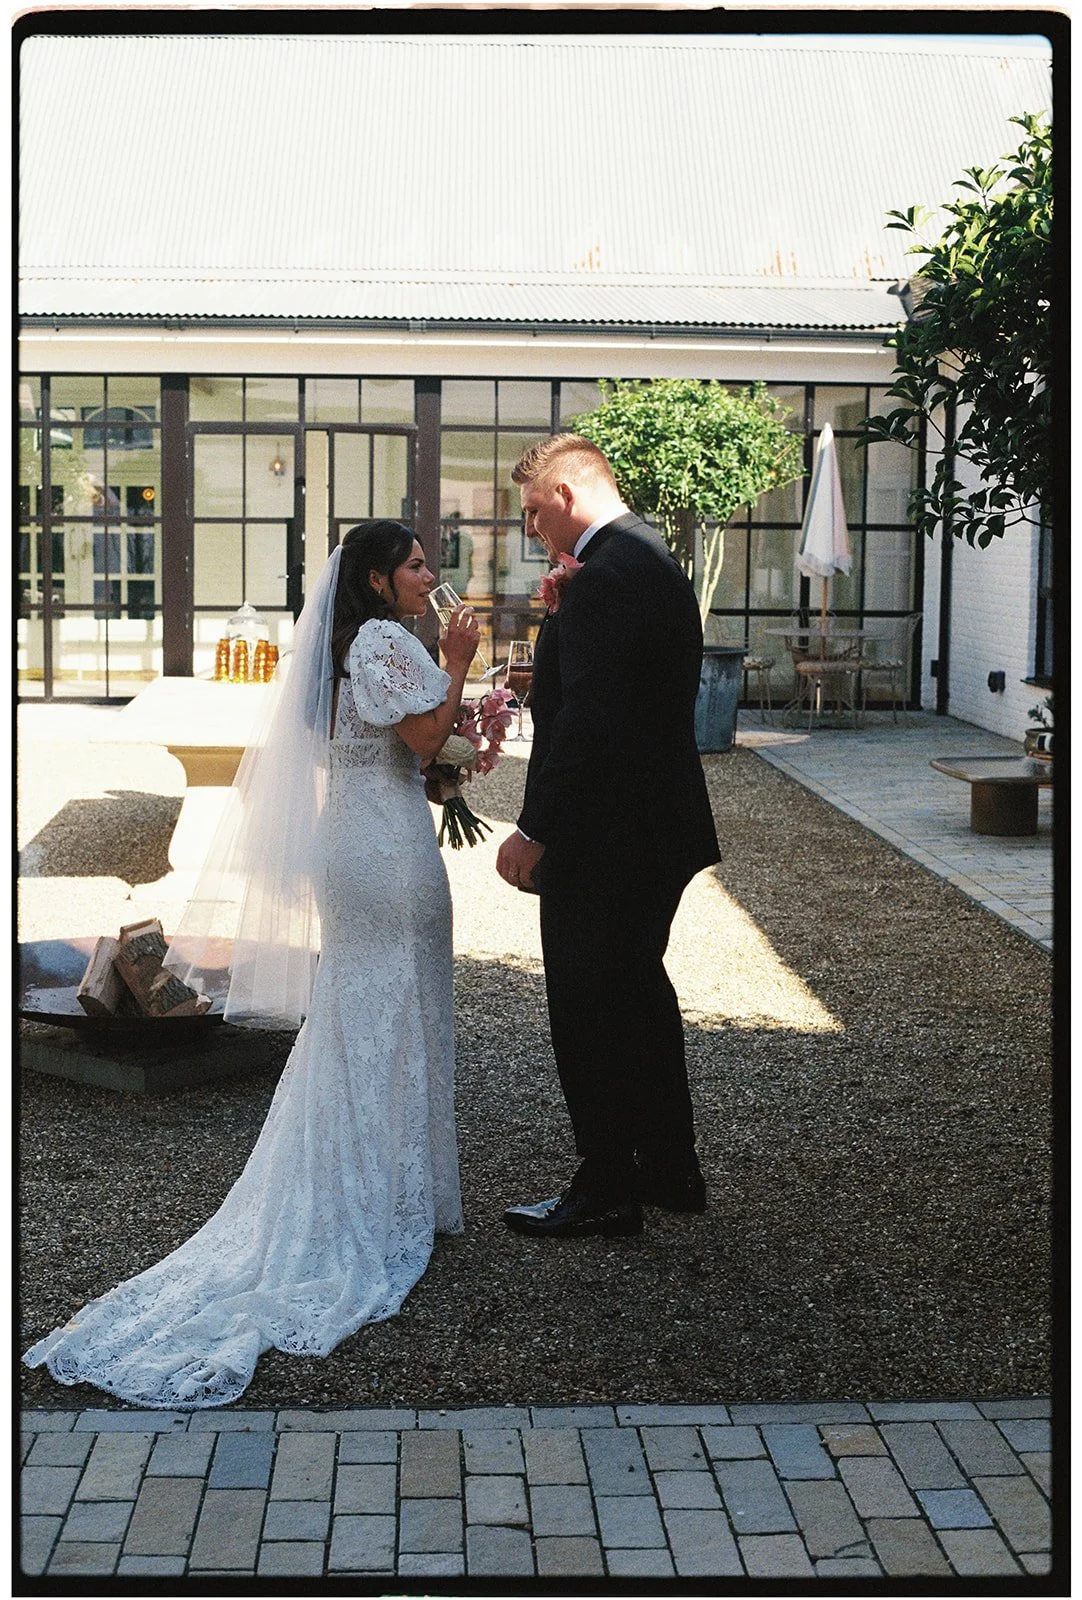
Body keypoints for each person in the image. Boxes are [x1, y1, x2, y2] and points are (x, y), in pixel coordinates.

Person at [24, 521, 480, 1408]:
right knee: (391, 1011)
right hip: (382, 849)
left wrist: (450, 762)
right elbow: (425, 739)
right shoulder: (387, 639)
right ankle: (377, 1204)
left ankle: (393, 1190)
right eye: (417, 563)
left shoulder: (356, 645)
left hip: (371, 828)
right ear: (380, 582)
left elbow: (400, 749)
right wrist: (462, 663)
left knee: (374, 1010)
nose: (433, 574)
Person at [496, 436, 720, 1238]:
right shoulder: (648, 555)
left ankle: (607, 1184)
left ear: (563, 492)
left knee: (589, 1007)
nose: (530, 530)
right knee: (637, 996)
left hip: (608, 833)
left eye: (531, 511)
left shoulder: (608, 576)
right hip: (652, 823)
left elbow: (592, 719)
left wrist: (533, 828)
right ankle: (669, 1165)